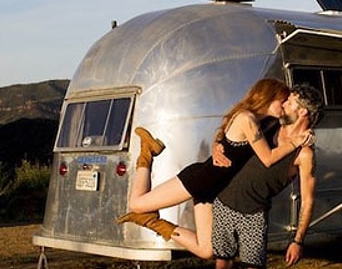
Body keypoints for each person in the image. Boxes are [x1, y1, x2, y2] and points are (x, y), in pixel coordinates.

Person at [117, 78, 313, 259]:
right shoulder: (247, 119)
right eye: (283, 100)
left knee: (206, 250)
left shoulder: (263, 122)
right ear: (269, 98)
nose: (285, 105)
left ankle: (153, 222)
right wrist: (296, 143)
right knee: (136, 204)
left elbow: (224, 132)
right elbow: (268, 159)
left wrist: (217, 144)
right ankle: (147, 151)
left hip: (212, 189)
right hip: (200, 179)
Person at [198, 83, 322, 269]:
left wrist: (298, 240)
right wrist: (217, 143)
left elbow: (308, 198)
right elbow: (233, 125)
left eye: (290, 102)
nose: (283, 103)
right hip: (225, 202)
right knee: (222, 267)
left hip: (254, 214)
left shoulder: (305, 154)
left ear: (303, 114)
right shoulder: (267, 125)